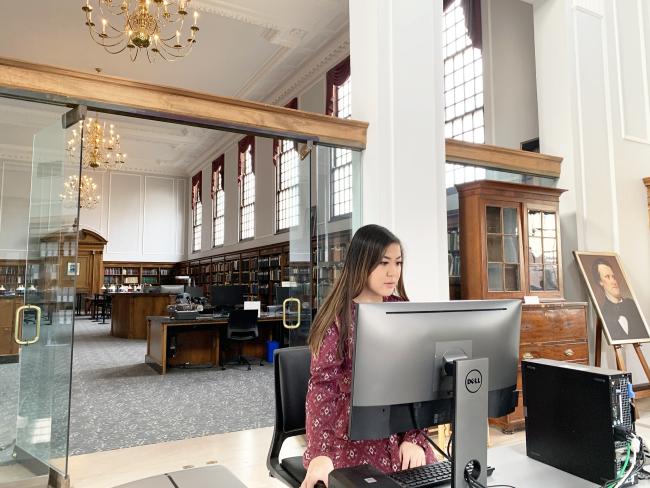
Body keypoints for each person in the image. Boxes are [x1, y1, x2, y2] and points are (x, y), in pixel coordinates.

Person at [301, 224, 435, 488]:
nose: (392, 272)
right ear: (361, 263)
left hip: (399, 432)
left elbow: (418, 380)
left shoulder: (404, 311)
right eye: (383, 263)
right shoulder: (337, 320)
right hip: (350, 436)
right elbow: (321, 391)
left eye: (398, 263)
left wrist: (414, 438)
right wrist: (321, 453)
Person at [591, 258, 649, 342]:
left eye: (613, 277)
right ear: (600, 282)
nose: (613, 281)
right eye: (607, 277)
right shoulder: (604, 313)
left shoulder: (632, 304)